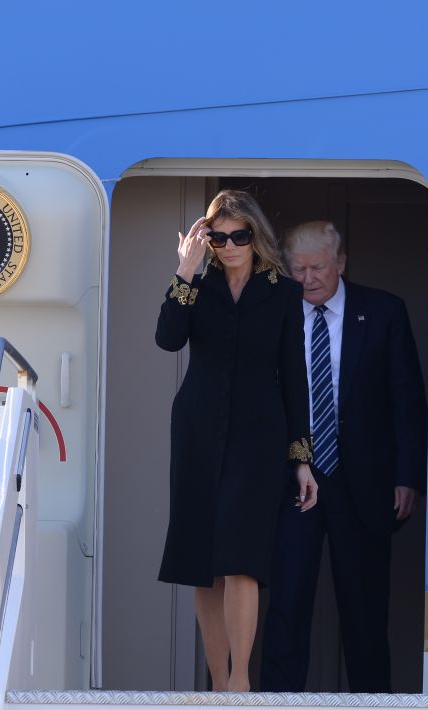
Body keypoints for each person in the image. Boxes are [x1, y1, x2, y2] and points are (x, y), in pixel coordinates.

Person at [155, 190, 319, 692]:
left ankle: (240, 686)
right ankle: (218, 681)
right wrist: (185, 269)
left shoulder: (283, 293)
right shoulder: (196, 287)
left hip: (259, 439)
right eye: (218, 237)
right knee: (204, 564)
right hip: (197, 432)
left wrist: (301, 459)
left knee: (242, 560)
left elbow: (295, 377)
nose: (228, 246)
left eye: (238, 236)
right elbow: (167, 339)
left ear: (255, 237)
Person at [260, 221, 426, 693]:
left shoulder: (383, 312)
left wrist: (407, 476)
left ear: (341, 264)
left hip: (366, 483)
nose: (307, 278)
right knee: (288, 603)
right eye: (297, 269)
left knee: (365, 609)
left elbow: (406, 400)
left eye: (317, 267)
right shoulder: (276, 313)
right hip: (295, 481)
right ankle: (276, 703)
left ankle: (374, 703)